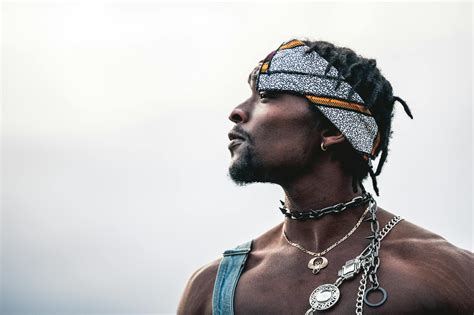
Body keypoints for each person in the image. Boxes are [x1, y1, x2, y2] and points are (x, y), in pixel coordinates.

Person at [177, 39, 473, 314]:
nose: (237, 112)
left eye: (266, 95)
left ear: (332, 131)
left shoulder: (445, 275)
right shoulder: (213, 289)